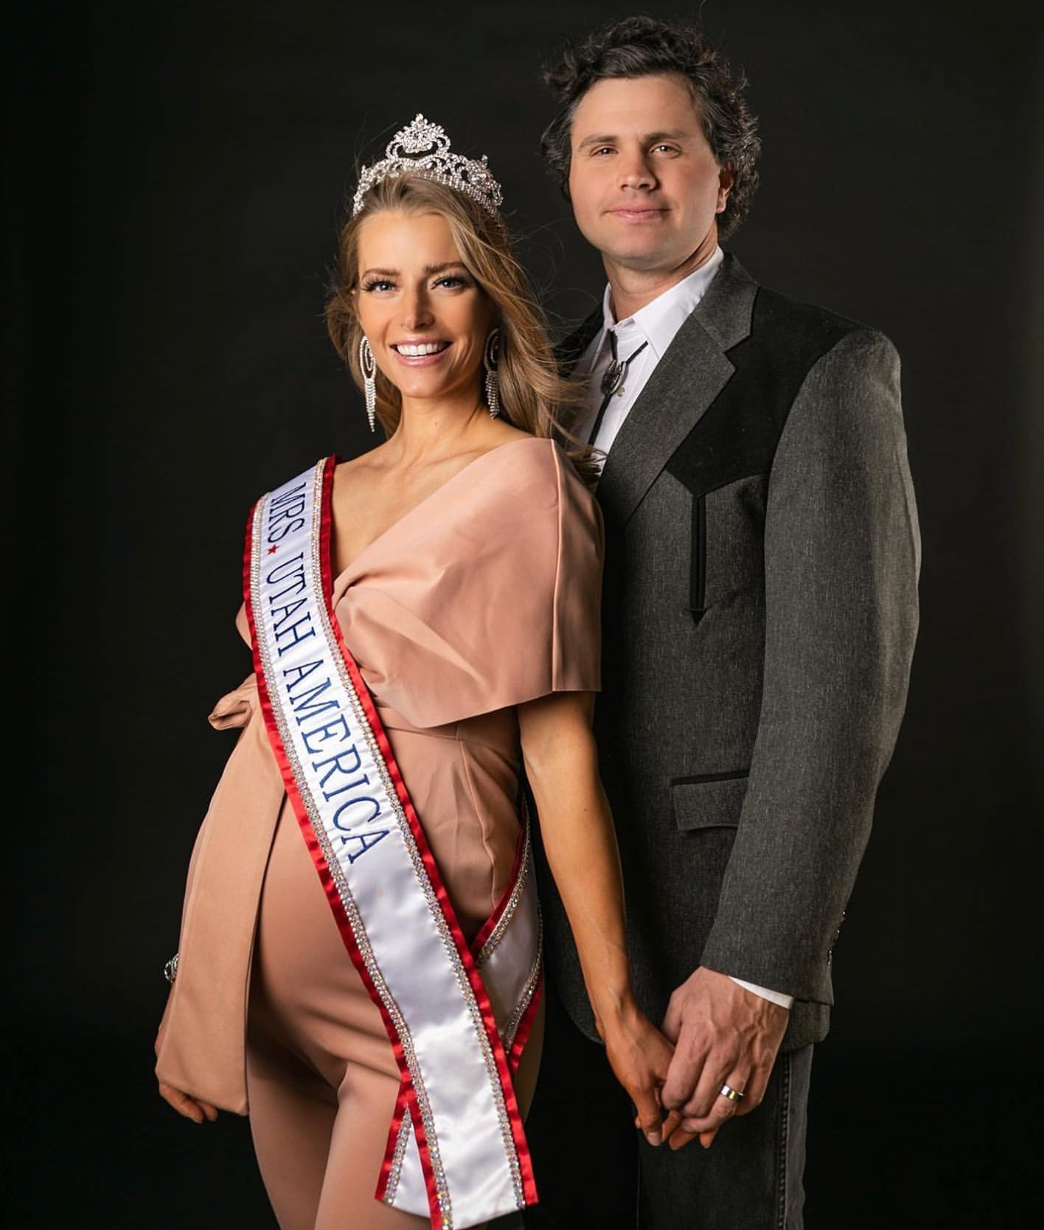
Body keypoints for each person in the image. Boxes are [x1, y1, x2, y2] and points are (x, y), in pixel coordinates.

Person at [153, 115, 681, 1230]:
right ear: (354, 315)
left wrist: (620, 1002)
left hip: (425, 986)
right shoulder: (314, 495)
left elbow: (558, 749)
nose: (415, 316)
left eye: (445, 282)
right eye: (384, 287)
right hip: (261, 1004)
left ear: (487, 297)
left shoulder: (532, 485)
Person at [523, 16, 921, 1230]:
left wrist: (756, 967)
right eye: (603, 148)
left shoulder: (818, 369)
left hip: (712, 929)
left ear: (722, 175)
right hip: (539, 923)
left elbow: (839, 699)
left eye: (666, 146)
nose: (633, 174)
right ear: (574, 176)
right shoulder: (535, 374)